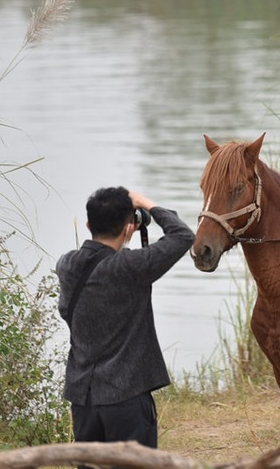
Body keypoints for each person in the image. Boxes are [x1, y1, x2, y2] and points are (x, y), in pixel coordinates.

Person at [55, 187, 194, 448]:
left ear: (88, 225)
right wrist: (147, 203)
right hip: (126, 399)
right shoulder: (131, 267)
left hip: (84, 401)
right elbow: (183, 236)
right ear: (129, 227)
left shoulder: (66, 265)